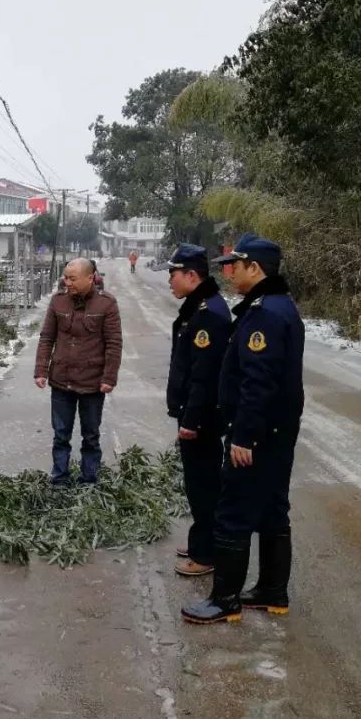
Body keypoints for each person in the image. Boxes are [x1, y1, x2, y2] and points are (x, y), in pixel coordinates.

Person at [181, 233, 304, 625]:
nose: (230, 272)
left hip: (258, 434)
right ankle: (272, 590)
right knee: (271, 508)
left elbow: (259, 381)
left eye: (237, 265)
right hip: (278, 432)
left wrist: (243, 436)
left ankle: (225, 599)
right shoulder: (278, 306)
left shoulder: (266, 314)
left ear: (257, 268)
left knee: (232, 511)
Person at [165, 244, 232, 578]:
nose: (169, 281)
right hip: (197, 415)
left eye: (173, 274)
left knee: (203, 484)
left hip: (202, 418)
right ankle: (201, 542)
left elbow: (203, 375)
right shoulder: (199, 308)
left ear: (191, 276)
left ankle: (206, 555)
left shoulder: (208, 314)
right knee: (199, 482)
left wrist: (190, 420)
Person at [34, 258, 123, 485]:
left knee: (91, 436)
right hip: (61, 380)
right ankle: (60, 478)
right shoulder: (58, 302)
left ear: (90, 278)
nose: (67, 282)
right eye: (66, 277)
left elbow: (114, 343)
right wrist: (41, 370)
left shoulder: (106, 304)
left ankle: (89, 479)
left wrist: (109, 377)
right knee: (60, 434)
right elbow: (47, 338)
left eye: (73, 278)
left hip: (92, 384)